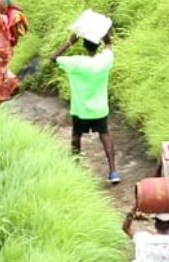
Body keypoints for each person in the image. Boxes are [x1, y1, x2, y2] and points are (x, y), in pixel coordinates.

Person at [51, 32, 119, 183]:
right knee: (105, 135)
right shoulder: (104, 61)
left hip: (80, 110)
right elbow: (109, 45)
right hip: (100, 109)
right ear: (97, 45)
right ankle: (113, 171)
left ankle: (75, 168)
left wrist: (70, 42)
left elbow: (53, 58)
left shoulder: (76, 62)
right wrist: (103, 33)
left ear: (83, 45)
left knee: (76, 136)